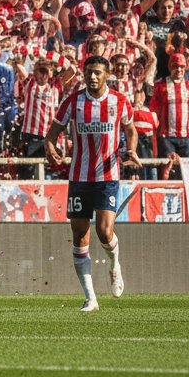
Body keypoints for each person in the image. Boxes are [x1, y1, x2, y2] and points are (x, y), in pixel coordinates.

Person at [44, 56, 141, 313]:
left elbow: (131, 130)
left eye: (97, 72)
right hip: (79, 177)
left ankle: (114, 265)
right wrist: (50, 145)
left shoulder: (119, 101)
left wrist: (131, 150)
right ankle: (90, 298)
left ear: (107, 74)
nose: (92, 77)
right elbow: (53, 130)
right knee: (79, 235)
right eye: (88, 73)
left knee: (104, 232)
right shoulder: (73, 101)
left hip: (108, 176)